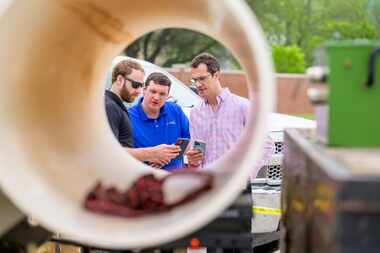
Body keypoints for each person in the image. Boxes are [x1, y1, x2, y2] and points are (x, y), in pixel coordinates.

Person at [187, 53, 273, 174]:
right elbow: (197, 155)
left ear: (216, 75)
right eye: (195, 80)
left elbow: (266, 145)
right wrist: (194, 161)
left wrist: (245, 176)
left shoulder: (243, 106)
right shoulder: (196, 113)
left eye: (202, 78)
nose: (198, 84)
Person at [105, 59, 180, 167]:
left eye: (141, 85)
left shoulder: (116, 106)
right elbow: (109, 153)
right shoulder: (110, 107)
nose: (139, 91)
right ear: (120, 80)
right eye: (135, 85)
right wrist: (152, 153)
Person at [128, 72, 191, 171]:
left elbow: (189, 141)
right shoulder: (128, 116)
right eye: (153, 91)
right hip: (144, 180)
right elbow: (119, 153)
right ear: (144, 90)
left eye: (162, 94)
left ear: (167, 96)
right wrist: (151, 155)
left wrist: (166, 157)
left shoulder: (175, 110)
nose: (157, 97)